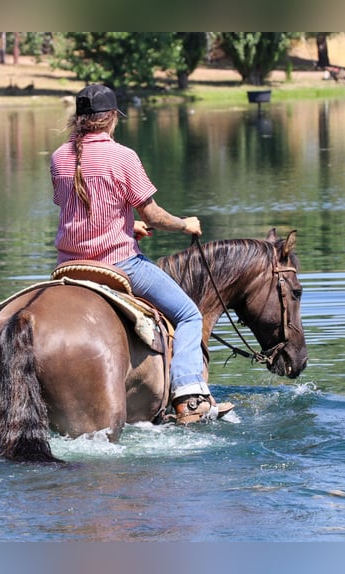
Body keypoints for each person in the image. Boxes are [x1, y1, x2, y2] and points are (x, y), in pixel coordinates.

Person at [50, 84, 233, 424]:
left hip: (69, 267)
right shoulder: (123, 156)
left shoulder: (59, 156)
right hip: (119, 264)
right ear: (112, 119)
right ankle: (189, 398)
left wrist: (124, 224)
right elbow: (153, 215)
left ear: (79, 120)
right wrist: (184, 225)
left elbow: (73, 210)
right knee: (190, 315)